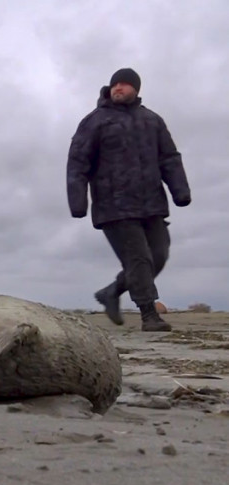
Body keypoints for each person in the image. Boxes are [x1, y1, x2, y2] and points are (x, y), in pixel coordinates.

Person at [67, 67, 191, 332]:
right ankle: (149, 314)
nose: (118, 88)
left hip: (152, 204)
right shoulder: (95, 121)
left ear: (136, 89)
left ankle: (112, 291)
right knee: (139, 259)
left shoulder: (152, 120)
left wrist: (180, 190)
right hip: (114, 205)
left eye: (124, 84)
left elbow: (169, 157)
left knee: (158, 255)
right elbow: (78, 162)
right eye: (115, 85)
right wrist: (78, 201)